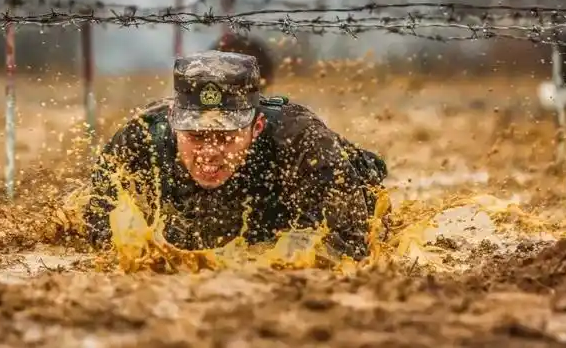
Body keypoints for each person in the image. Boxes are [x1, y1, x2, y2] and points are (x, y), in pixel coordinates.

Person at [83, 50, 389, 261]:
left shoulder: (303, 143)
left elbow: (347, 244)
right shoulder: (141, 137)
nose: (210, 152)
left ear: (256, 127)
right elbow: (99, 225)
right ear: (174, 122)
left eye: (226, 137)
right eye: (196, 136)